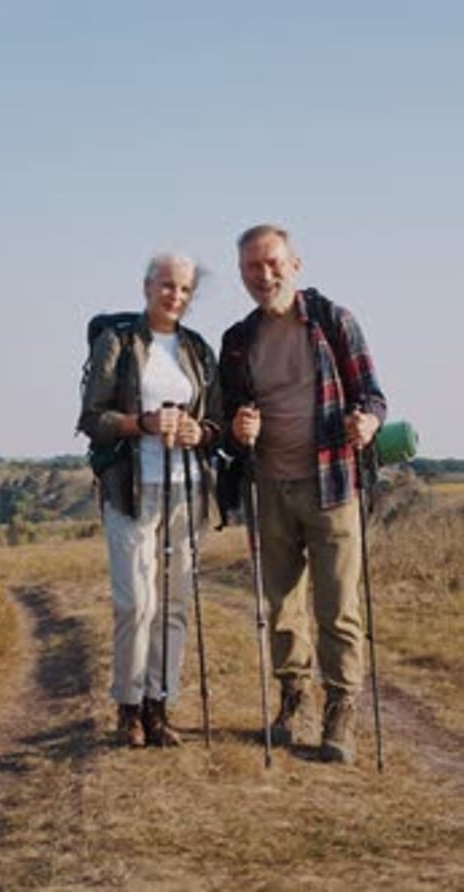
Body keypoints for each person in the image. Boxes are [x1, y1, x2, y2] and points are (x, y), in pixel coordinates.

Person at [219, 224, 387, 763]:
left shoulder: (334, 321)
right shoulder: (238, 340)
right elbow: (227, 422)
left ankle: (342, 708)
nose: (262, 275)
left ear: (295, 265)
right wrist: (237, 429)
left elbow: (374, 398)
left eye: (272, 263)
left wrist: (369, 424)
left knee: (337, 607)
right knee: (281, 605)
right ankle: (296, 700)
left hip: (334, 482)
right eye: (251, 267)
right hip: (269, 485)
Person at [78, 254, 220, 748]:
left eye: (184, 289)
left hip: (186, 490)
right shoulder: (117, 342)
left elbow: (215, 426)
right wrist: (143, 424)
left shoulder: (198, 350)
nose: (174, 296)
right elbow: (92, 418)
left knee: (175, 603)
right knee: (135, 604)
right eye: (166, 286)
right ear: (147, 287)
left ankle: (161, 706)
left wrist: (196, 431)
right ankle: (128, 706)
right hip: (130, 490)